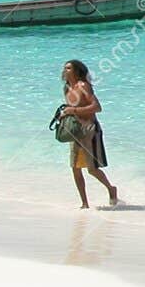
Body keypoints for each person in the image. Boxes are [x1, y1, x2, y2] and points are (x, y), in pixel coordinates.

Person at [61, 60, 116, 209]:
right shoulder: (67, 88)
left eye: (69, 68)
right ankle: (84, 203)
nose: (65, 70)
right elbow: (71, 107)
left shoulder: (83, 86)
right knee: (75, 167)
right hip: (75, 131)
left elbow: (97, 107)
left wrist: (74, 111)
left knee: (92, 169)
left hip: (89, 130)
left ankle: (111, 189)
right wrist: (65, 113)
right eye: (65, 68)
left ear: (77, 71)